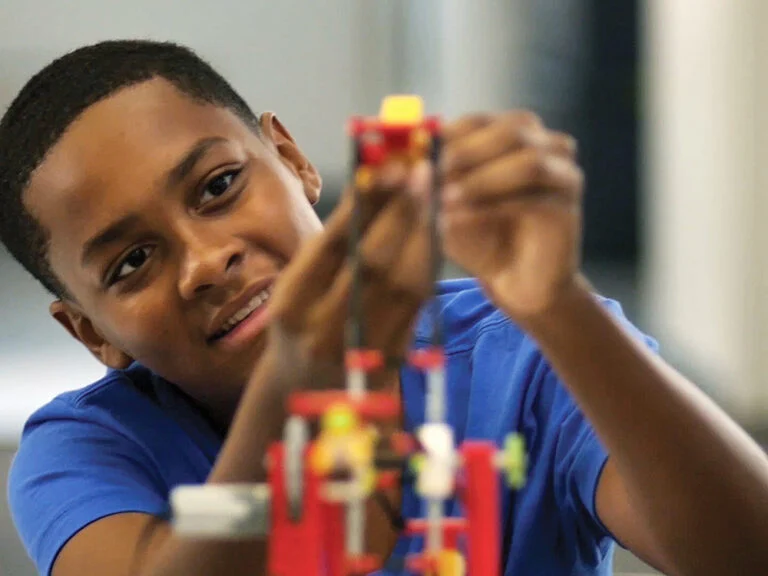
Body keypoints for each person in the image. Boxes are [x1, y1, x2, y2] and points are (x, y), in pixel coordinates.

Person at [2, 40, 767, 576]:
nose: (207, 262)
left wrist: (560, 308)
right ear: (92, 331)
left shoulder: (518, 358)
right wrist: (294, 394)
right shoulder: (91, 450)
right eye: (132, 263)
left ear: (295, 160)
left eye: (218, 187)